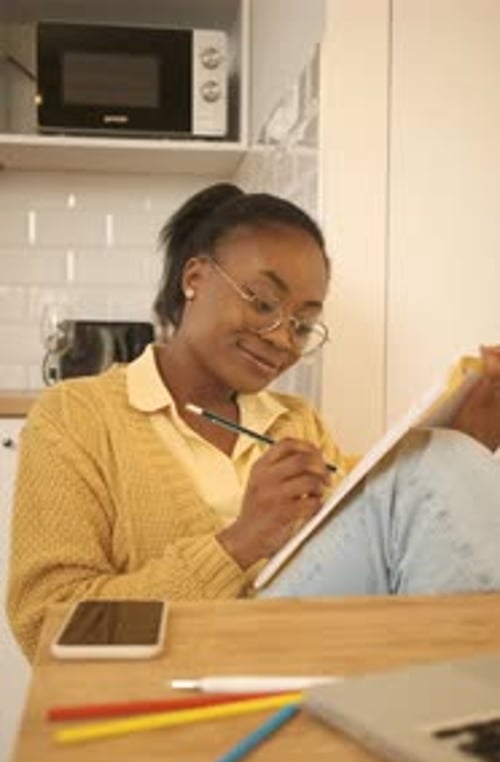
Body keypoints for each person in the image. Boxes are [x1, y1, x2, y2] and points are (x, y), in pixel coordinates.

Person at [7, 182, 500, 661]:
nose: (284, 339)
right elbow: (42, 624)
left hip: (297, 657)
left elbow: (384, 548)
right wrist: (239, 543)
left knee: (439, 457)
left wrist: (462, 441)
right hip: (186, 666)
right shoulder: (75, 417)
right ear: (194, 278)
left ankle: (454, 715)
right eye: (263, 303)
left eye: (303, 325)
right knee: (438, 461)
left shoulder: (296, 421)